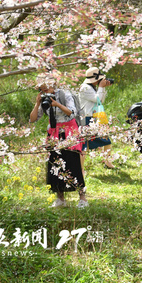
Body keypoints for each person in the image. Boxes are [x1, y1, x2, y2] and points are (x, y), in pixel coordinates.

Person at [30, 73, 88, 208]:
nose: (44, 91)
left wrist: (57, 104)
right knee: (54, 164)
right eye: (41, 89)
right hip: (53, 133)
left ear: (53, 85)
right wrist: (37, 102)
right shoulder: (43, 98)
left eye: (46, 88)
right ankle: (60, 198)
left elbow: (71, 112)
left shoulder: (64, 94)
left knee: (73, 164)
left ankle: (83, 198)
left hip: (69, 132)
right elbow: (33, 119)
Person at [78, 67, 114, 169]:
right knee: (84, 145)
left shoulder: (91, 87)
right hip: (86, 118)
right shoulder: (85, 88)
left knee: (106, 139)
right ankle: (80, 169)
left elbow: (100, 100)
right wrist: (101, 87)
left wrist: (103, 87)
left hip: (94, 117)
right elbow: (98, 100)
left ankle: (107, 162)